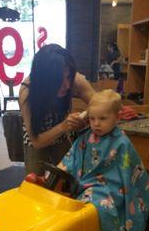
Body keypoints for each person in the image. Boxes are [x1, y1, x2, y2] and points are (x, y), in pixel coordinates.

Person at [58, 90, 149, 231]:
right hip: (86, 185)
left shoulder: (121, 142)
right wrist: (53, 175)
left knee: (99, 208)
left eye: (103, 119)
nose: (96, 124)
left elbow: (128, 172)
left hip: (112, 189)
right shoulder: (86, 137)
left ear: (117, 118)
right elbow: (70, 159)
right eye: (92, 118)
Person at [19, 44, 95, 175]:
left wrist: (85, 118)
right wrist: (63, 126)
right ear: (45, 80)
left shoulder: (74, 80)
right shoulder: (27, 91)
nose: (66, 85)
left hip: (63, 135)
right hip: (37, 135)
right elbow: (36, 142)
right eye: (59, 80)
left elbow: (99, 104)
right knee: (34, 183)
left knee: (68, 177)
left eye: (69, 77)